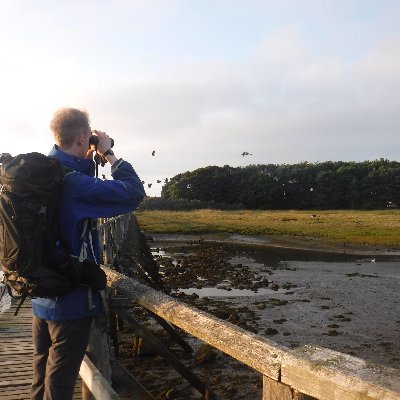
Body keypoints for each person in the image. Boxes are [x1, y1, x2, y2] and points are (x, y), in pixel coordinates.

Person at [30, 108, 145, 400]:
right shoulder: (73, 185)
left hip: (38, 296)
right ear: (83, 137)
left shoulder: (39, 176)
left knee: (40, 378)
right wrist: (109, 154)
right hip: (70, 301)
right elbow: (133, 193)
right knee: (59, 387)